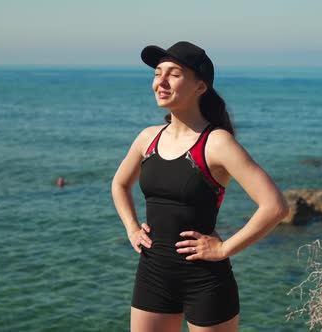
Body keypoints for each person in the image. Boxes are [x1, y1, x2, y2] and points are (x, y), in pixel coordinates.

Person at [111, 41, 289, 332]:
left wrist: (224, 249)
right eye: (157, 73)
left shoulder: (217, 142)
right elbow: (119, 184)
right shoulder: (148, 138)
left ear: (200, 86)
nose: (161, 82)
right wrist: (131, 227)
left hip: (205, 280)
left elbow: (275, 206)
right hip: (153, 274)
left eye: (174, 74)